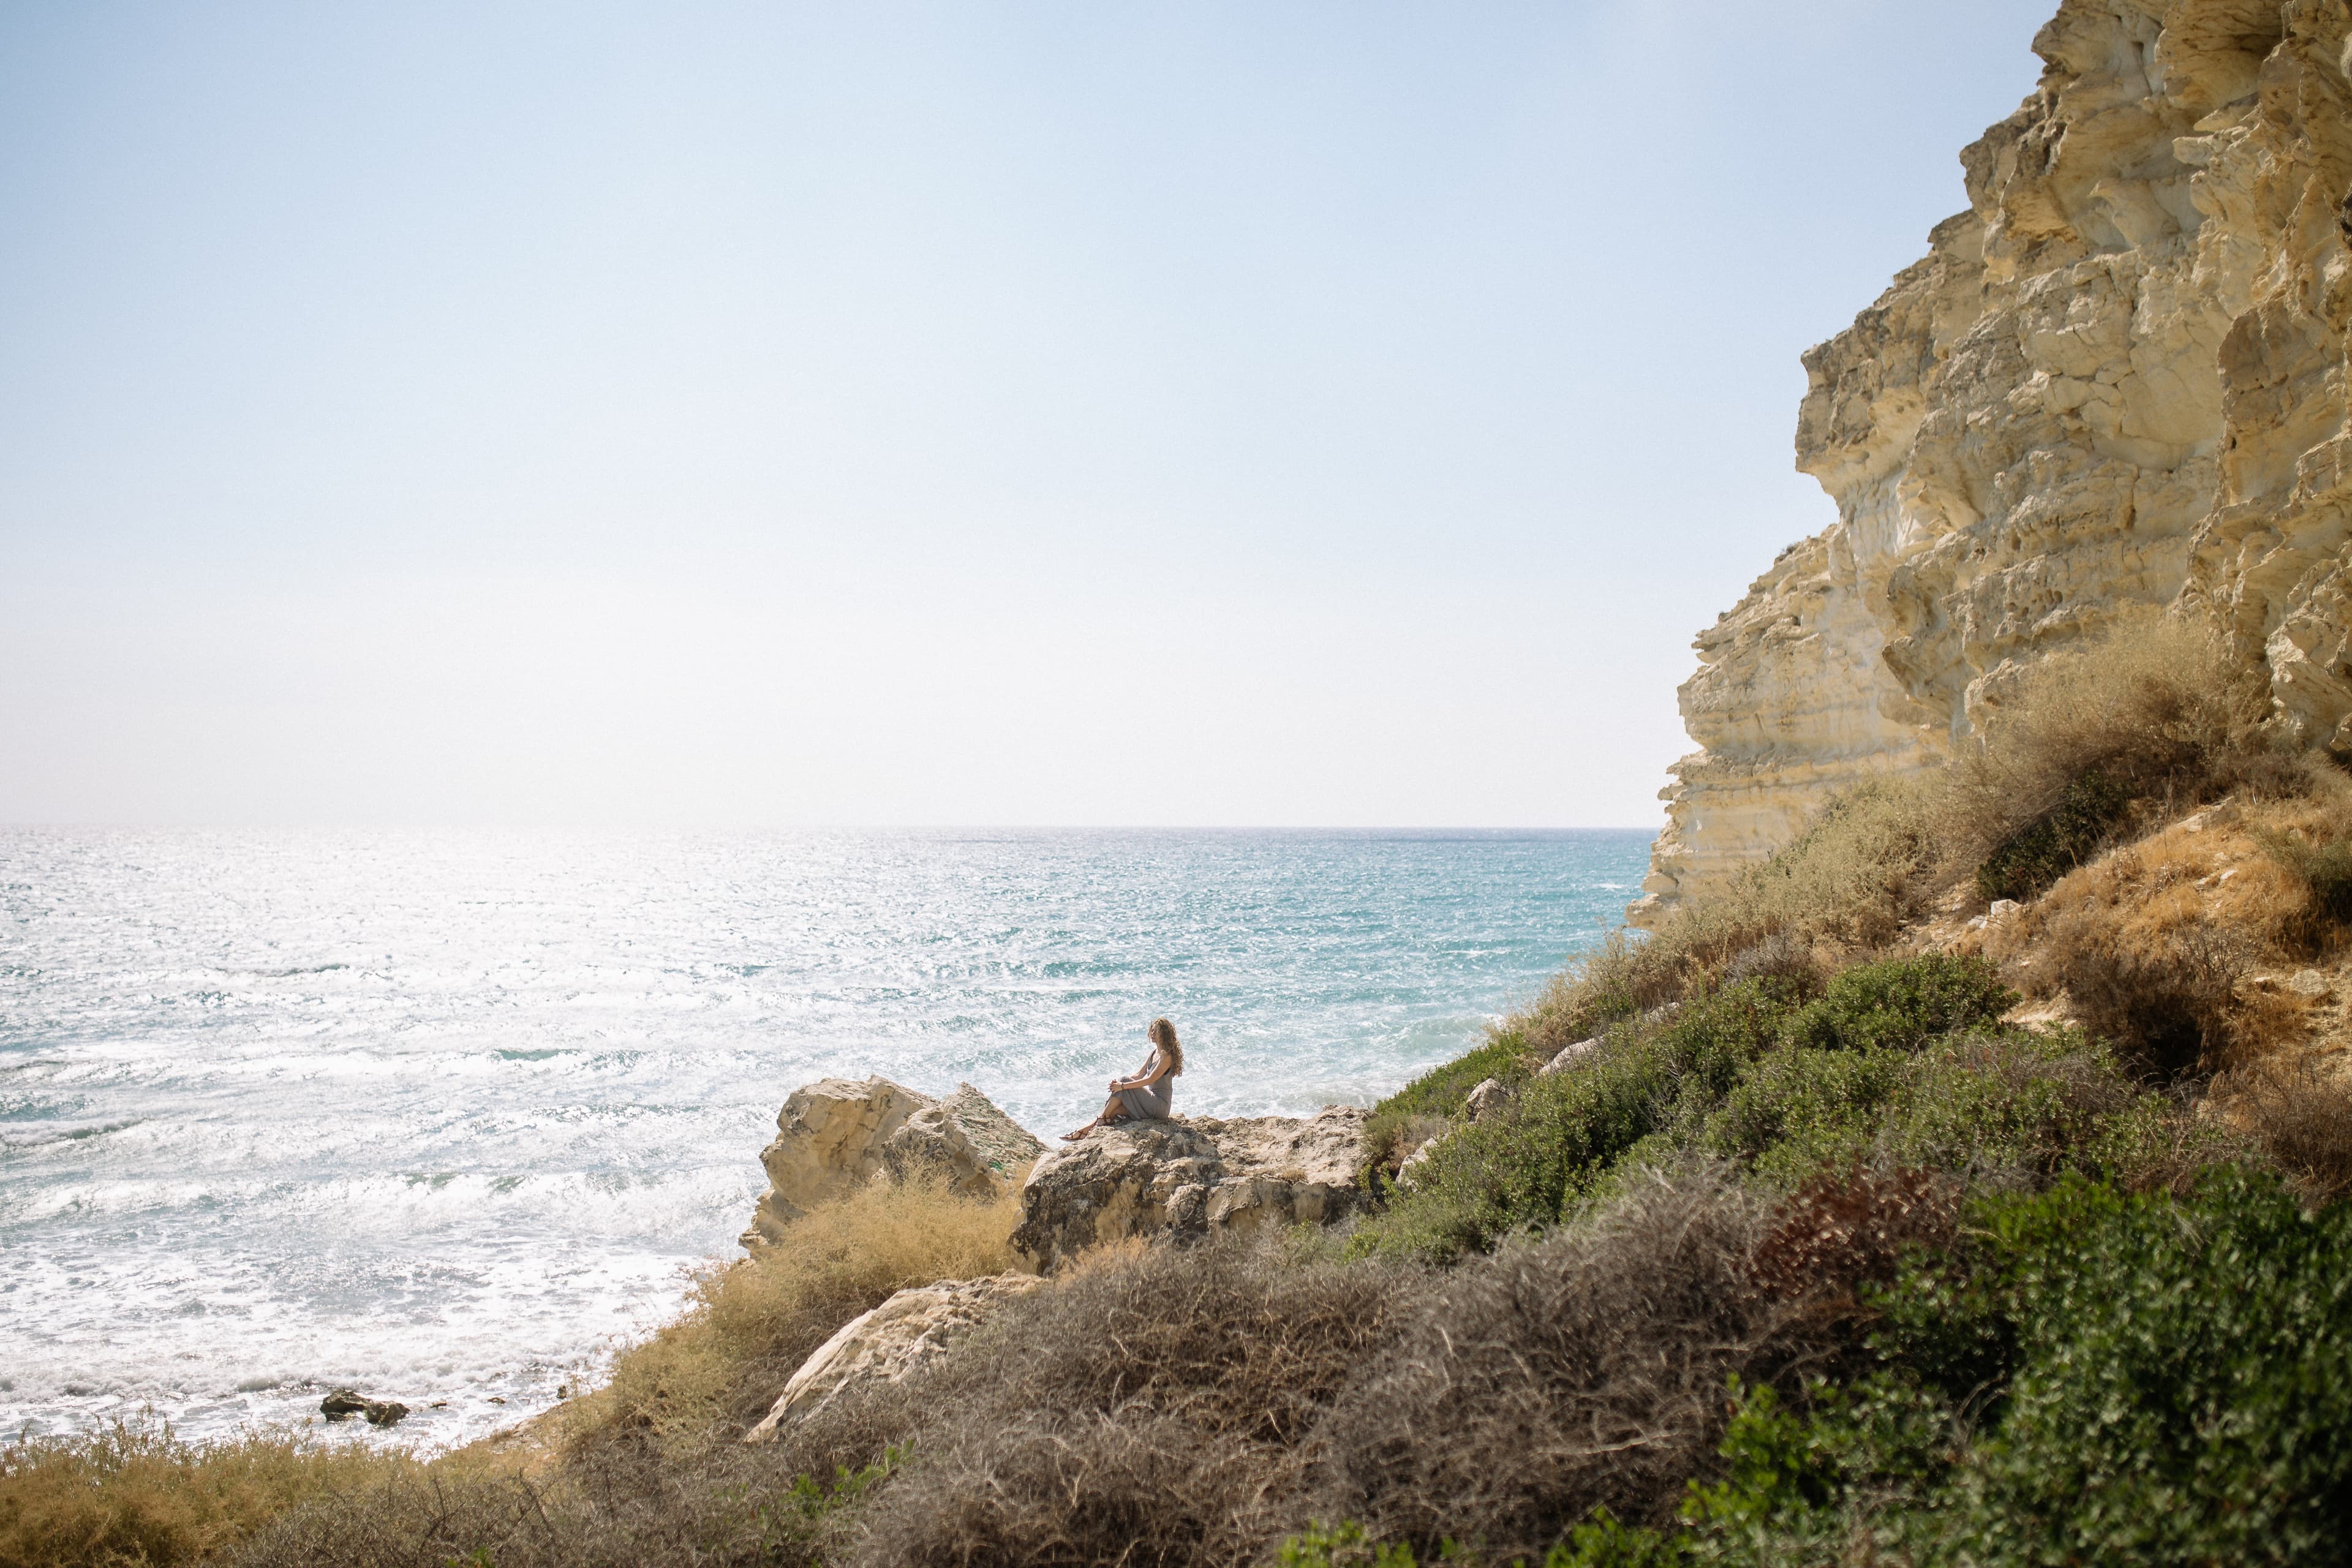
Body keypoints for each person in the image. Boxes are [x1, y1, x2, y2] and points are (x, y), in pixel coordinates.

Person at [1061, 1017, 1185, 1141]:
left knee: (1124, 1081)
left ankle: (1089, 1127)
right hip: (1149, 1102)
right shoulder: (1154, 1053)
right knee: (1115, 1111)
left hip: (1160, 1106)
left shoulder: (1166, 1056)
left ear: (1164, 1034)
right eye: (1152, 1030)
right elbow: (1138, 1075)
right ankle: (1092, 1128)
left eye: (1156, 1031)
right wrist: (1119, 1085)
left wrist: (1123, 1086)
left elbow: (1150, 1080)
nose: (1152, 1034)